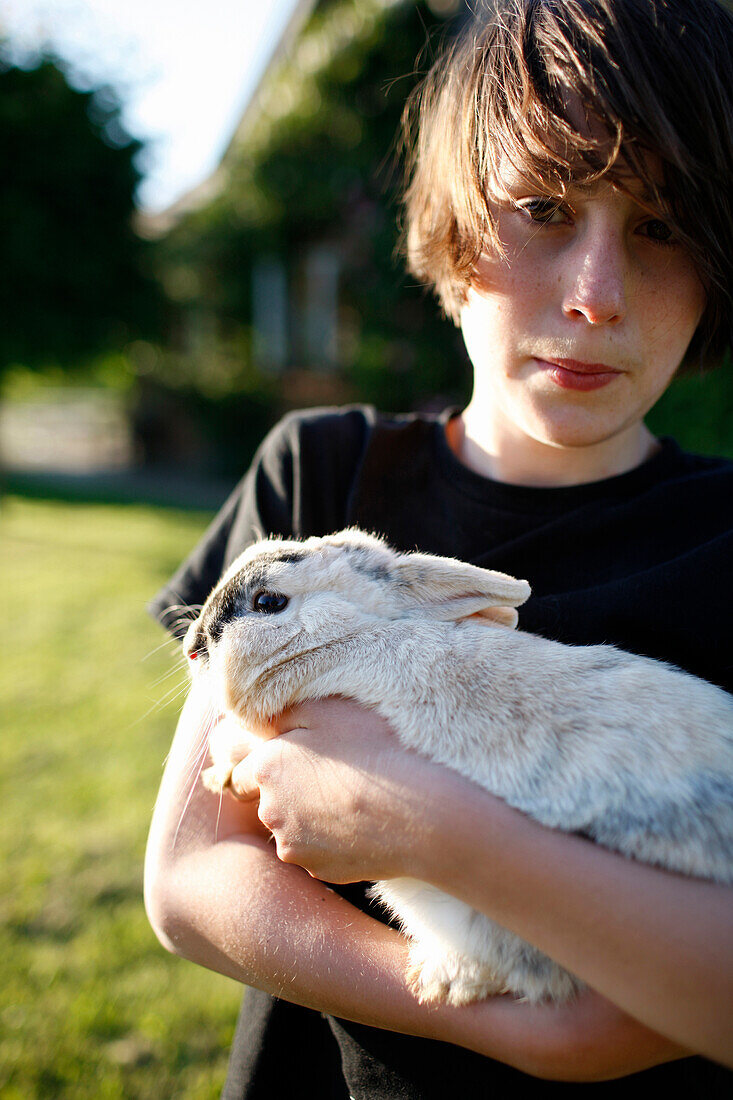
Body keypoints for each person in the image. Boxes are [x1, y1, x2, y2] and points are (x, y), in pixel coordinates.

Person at [144, 0, 733, 1095]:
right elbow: (190, 874)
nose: (595, 295)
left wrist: (433, 827)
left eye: (659, 228)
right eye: (544, 208)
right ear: (456, 232)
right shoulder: (320, 473)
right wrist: (514, 1024)